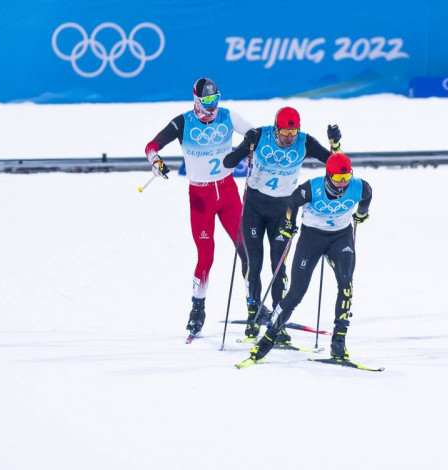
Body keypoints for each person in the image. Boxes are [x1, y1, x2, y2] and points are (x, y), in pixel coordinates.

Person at [145, 77, 253, 339]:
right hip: (201, 197)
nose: (212, 107)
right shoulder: (184, 122)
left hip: (227, 192)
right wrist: (156, 162)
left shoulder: (227, 115)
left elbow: (254, 133)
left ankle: (255, 304)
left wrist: (247, 149)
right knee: (206, 257)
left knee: (247, 249)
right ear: (196, 100)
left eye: (215, 100)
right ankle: (197, 309)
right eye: (207, 102)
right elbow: (151, 146)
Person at [223, 107, 342, 345]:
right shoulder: (260, 136)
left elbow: (335, 165)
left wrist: (335, 145)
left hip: (284, 211)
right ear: (276, 127)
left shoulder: (304, 141)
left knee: (279, 267)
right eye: (285, 131)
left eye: (293, 131)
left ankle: (278, 322)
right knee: (254, 263)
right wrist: (247, 143)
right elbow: (228, 163)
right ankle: (252, 316)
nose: (289, 137)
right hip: (255, 208)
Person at [244, 153, 372, 364]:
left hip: (341, 238)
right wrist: (288, 224)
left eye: (346, 178)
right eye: (338, 179)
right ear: (327, 175)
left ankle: (339, 342)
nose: (342, 185)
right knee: (296, 292)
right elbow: (292, 202)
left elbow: (367, 196)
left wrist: (362, 213)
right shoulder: (312, 188)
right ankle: (268, 340)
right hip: (311, 238)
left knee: (346, 283)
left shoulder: (360, 187)